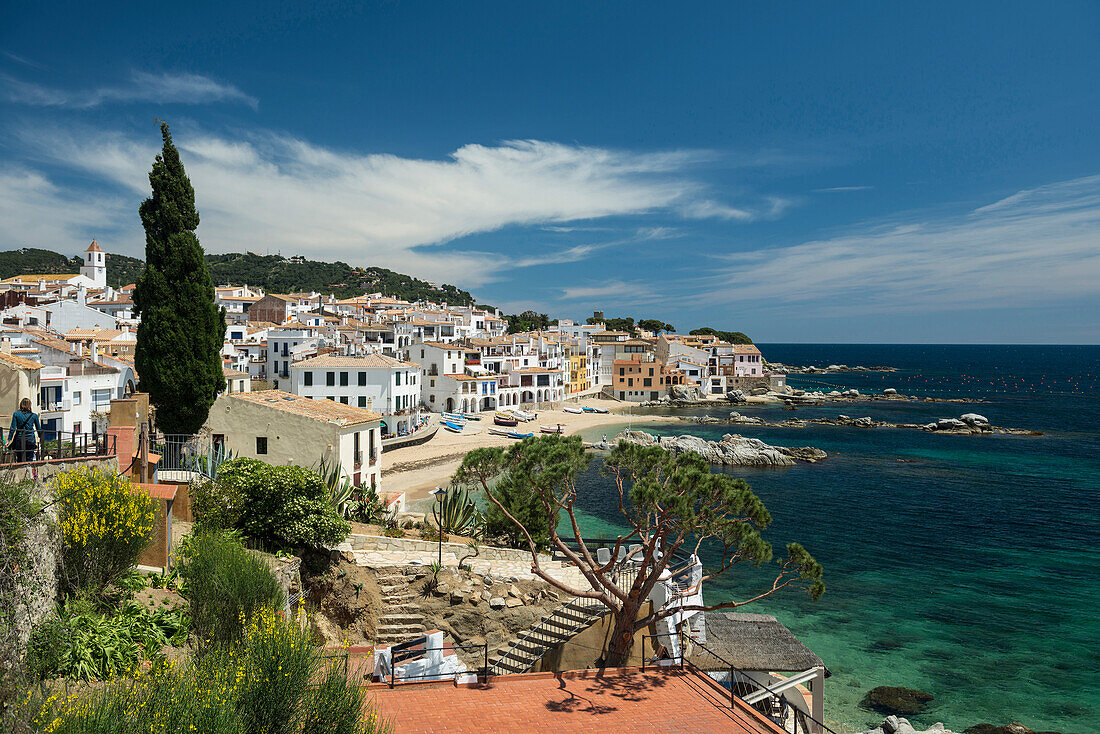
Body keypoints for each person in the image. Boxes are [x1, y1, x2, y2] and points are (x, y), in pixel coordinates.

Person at [8, 398, 43, 463]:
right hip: (30, 439)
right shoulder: (34, 415)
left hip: (20, 439)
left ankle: (20, 472)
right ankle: (29, 471)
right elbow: (39, 429)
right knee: (29, 459)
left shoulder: (16, 414)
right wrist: (41, 439)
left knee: (19, 458)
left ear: (21, 404)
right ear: (30, 405)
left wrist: (9, 440)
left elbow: (13, 428)